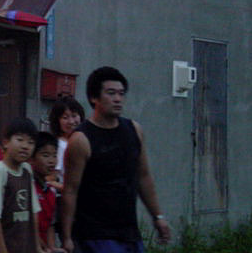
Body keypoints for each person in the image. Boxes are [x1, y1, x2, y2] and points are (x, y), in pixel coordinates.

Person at [61, 67, 171, 253]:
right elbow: (70, 190)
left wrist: (157, 216)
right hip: (95, 234)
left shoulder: (134, 130)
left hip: (129, 232)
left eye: (121, 93)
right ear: (94, 98)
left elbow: (143, 176)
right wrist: (67, 236)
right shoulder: (81, 139)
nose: (118, 99)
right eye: (111, 93)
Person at [0, 117, 44, 253]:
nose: (25, 146)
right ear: (6, 142)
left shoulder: (27, 170)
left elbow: (33, 212)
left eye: (31, 142)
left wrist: (37, 247)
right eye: (20, 140)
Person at [31, 132, 63, 252]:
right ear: (31, 158)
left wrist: (52, 248)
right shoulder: (28, 187)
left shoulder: (51, 191)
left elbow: (50, 224)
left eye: (54, 155)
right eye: (45, 155)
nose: (51, 161)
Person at [47, 97, 84, 192]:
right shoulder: (60, 145)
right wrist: (69, 190)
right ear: (57, 121)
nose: (71, 121)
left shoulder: (84, 140)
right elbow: (50, 180)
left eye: (74, 116)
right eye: (65, 117)